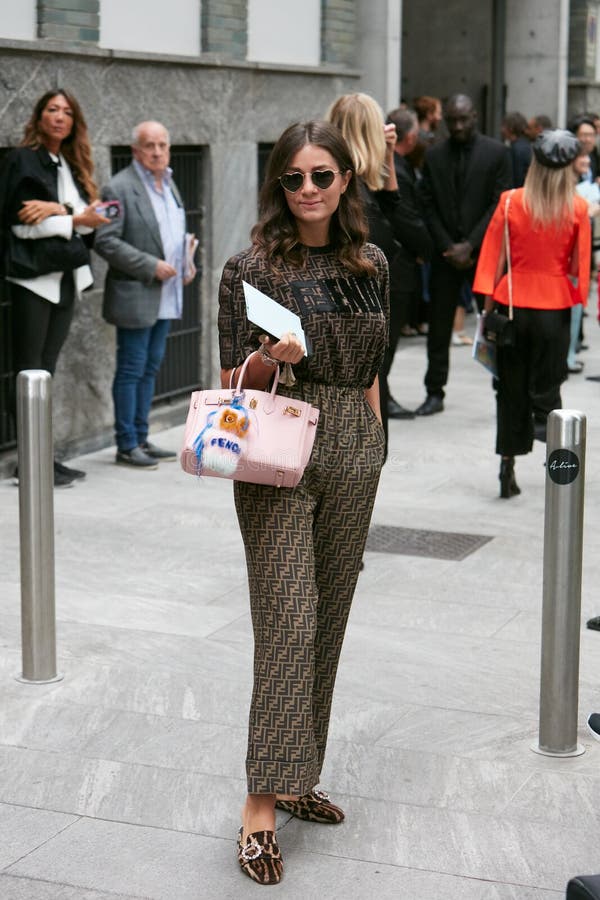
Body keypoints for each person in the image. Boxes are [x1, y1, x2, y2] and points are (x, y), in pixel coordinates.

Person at [218, 120, 388, 885]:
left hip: (353, 440)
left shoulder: (371, 262)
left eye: (323, 175)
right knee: (286, 618)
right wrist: (266, 359)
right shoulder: (249, 267)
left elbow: (377, 364)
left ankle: (297, 773)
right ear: (278, 186)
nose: (309, 190)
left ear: (345, 181)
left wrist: (378, 440)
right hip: (279, 438)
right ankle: (260, 805)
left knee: (329, 614)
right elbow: (230, 382)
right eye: (295, 178)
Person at [0, 89, 109, 487]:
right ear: (39, 116)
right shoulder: (23, 160)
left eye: (67, 112)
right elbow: (20, 222)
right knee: (31, 371)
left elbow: (87, 219)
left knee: (47, 370)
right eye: (52, 110)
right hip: (33, 279)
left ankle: (43, 457)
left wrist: (66, 212)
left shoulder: (70, 164)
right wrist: (68, 214)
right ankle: (28, 462)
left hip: (66, 277)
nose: (59, 117)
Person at [473, 130, 590, 498]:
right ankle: (559, 468)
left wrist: (487, 307)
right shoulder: (578, 208)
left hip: (512, 305)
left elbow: (492, 260)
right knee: (549, 390)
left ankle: (507, 465)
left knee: (510, 390)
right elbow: (578, 265)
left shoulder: (510, 202)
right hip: (553, 307)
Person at [326, 94, 431, 443]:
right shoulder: (348, 189)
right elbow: (392, 227)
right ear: (370, 131)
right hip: (354, 312)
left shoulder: (354, 183)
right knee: (368, 396)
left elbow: (392, 205)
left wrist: (386, 155)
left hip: (360, 310)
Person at [94, 121, 197, 468]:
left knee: (150, 367)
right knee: (132, 368)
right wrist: (149, 264)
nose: (156, 151)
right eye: (149, 145)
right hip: (137, 291)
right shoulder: (118, 187)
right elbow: (105, 241)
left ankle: (141, 437)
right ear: (135, 150)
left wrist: (187, 261)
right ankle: (126, 444)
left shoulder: (169, 183)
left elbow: (171, 232)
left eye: (162, 145)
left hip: (167, 293)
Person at [415, 93, 511, 416]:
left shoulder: (497, 153)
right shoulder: (434, 155)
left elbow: (500, 202)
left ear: (474, 118)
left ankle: (504, 389)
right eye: (452, 120)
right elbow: (425, 203)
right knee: (439, 328)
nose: (457, 125)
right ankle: (434, 391)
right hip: (446, 254)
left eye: (463, 119)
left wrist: (470, 244)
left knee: (495, 323)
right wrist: (448, 245)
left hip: (483, 253)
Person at [569, 151, 600, 374]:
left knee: (577, 309)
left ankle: (569, 356)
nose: (586, 161)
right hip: (565, 261)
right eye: (581, 156)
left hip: (580, 256)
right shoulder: (566, 188)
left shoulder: (584, 185)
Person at [501, 111, 532, 187]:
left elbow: (516, 178)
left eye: (503, 126)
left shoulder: (515, 150)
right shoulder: (527, 145)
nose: (501, 130)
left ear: (510, 128)